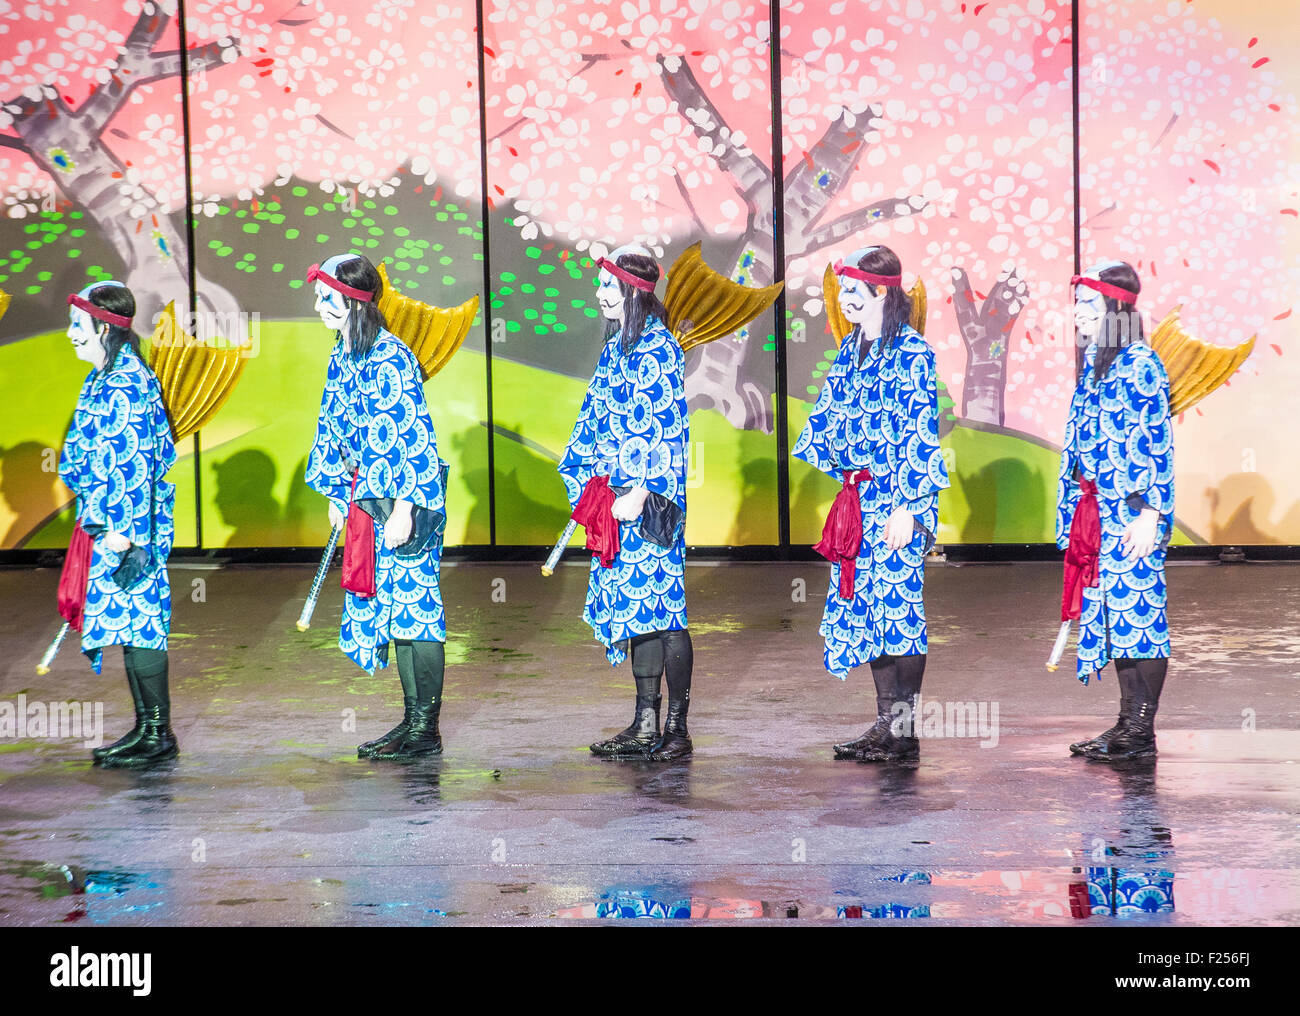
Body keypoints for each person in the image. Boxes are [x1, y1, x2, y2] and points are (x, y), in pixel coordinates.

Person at [793, 245, 950, 766]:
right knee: (871, 611)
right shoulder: (850, 351)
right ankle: (886, 725)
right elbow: (828, 419)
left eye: (853, 291)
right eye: (842, 292)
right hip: (859, 501)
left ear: (881, 291)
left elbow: (918, 433)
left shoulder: (912, 353)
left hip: (898, 502)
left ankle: (904, 734)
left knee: (900, 613)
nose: (844, 300)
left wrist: (909, 503)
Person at [304, 253, 450, 760]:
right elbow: (331, 426)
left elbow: (414, 437)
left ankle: (426, 729)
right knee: (395, 616)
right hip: (367, 498)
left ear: (355, 300)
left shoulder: (391, 357)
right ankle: (411, 722)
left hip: (406, 501)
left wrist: (407, 507)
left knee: (417, 613)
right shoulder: (343, 354)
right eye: (320, 297)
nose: (320, 306)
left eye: (328, 298)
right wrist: (334, 494)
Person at [558, 244, 693, 761]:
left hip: (650, 504)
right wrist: (590, 478)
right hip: (617, 502)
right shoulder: (617, 347)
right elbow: (594, 419)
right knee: (639, 608)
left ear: (633, 290)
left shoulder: (659, 349)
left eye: (607, 286)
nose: (598, 293)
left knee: (664, 610)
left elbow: (669, 428)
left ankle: (676, 730)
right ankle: (643, 723)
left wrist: (642, 488)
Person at [57, 281, 178, 767]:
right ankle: (145, 727)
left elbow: (136, 465)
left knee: (143, 625)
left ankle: (158, 733)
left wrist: (122, 531)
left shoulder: (127, 382)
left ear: (105, 327)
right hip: (107, 527)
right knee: (129, 623)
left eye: (77, 325)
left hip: (130, 534)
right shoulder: (102, 377)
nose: (70, 334)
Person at [1057, 260, 1172, 762]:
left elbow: (1156, 443)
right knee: (1118, 619)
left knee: (1140, 617)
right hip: (1100, 511)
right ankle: (1128, 725)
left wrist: (1152, 514)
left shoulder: (1141, 364)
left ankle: (1140, 731)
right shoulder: (1097, 364)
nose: (1077, 313)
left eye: (1087, 304)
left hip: (1132, 511)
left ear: (1115, 307)